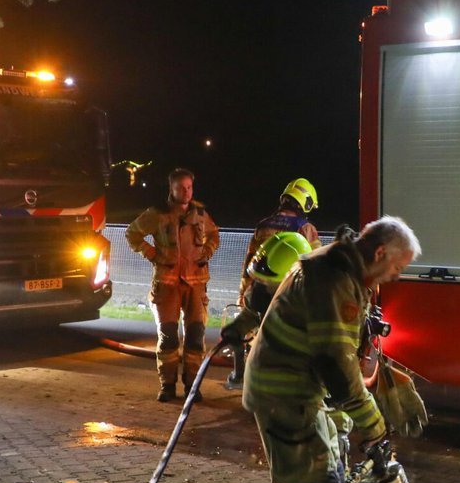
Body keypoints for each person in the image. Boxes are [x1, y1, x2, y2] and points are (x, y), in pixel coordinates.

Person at [242, 216, 421, 483]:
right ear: (379, 253)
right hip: (286, 395)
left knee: (332, 468)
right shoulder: (334, 280)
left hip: (303, 389)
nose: (396, 276)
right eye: (397, 266)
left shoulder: (341, 266)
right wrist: (373, 424)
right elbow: (336, 365)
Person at [125, 167, 221, 402]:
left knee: (195, 337)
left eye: (189, 187)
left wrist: (207, 251)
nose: (186, 192)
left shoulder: (200, 214)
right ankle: (167, 386)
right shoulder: (157, 214)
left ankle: (192, 387)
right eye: (181, 188)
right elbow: (132, 234)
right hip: (167, 285)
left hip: (196, 286)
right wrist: (151, 253)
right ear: (172, 188)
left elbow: (214, 235)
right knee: (168, 338)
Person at [221, 230, 313, 390]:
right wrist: (236, 329)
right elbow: (252, 314)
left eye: (268, 283)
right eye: (259, 281)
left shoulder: (315, 310)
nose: (260, 288)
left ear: (294, 278)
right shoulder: (264, 293)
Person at [237, 178, 320, 297]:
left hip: (257, 292)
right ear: (305, 203)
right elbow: (317, 264)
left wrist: (242, 293)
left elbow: (250, 260)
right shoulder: (306, 228)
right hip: (286, 295)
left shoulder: (263, 225)